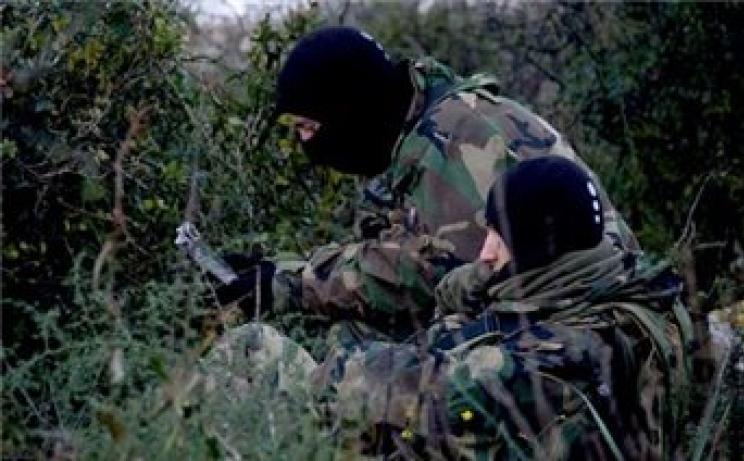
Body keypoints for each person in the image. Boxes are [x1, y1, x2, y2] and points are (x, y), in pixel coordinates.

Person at [205, 157, 691, 460]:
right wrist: (489, 278)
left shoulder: (545, 361)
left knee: (254, 349)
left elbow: (384, 387)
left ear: (538, 251)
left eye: (498, 238)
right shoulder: (622, 286)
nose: (485, 251)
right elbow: (462, 300)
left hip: (471, 412)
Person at [215, 26, 638, 345]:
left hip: (579, 337)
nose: (304, 142)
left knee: (349, 348)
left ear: (349, 112)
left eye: (309, 127)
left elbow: (433, 273)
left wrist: (286, 283)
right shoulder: (436, 121)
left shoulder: (457, 141)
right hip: (573, 318)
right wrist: (282, 270)